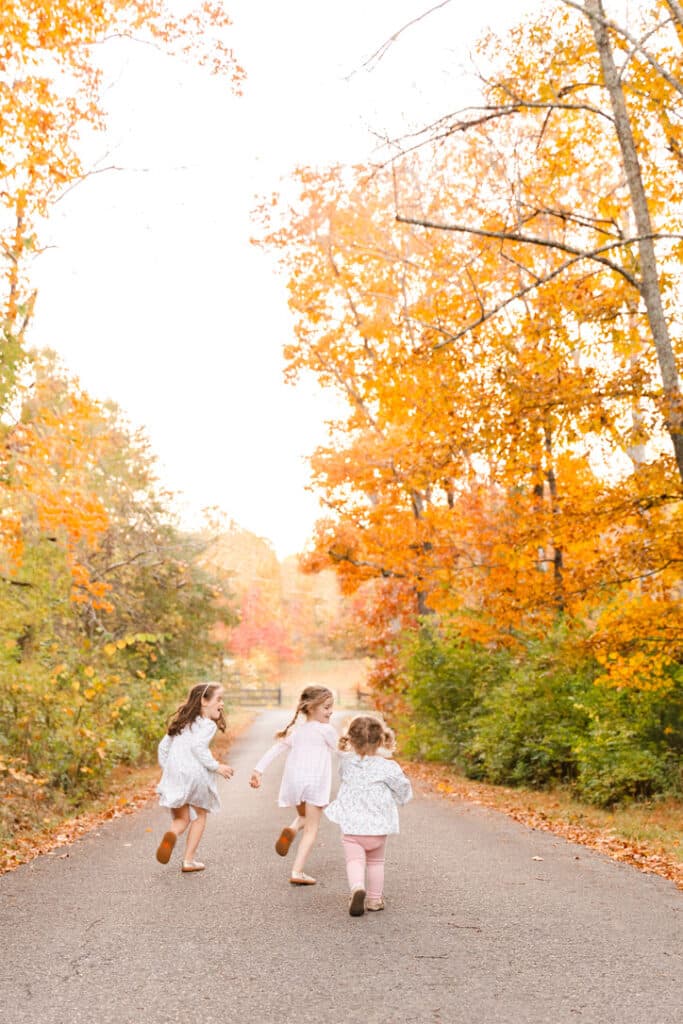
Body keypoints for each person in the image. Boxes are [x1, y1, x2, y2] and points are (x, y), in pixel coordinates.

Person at [324, 714, 412, 916]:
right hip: (378, 827)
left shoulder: (346, 763)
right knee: (375, 862)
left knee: (354, 861)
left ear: (351, 740)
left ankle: (357, 888)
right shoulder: (388, 766)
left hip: (352, 827)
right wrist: (402, 799)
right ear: (381, 740)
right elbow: (403, 788)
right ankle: (374, 899)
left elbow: (343, 775)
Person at [250, 685, 336, 886]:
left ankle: (292, 827)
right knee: (312, 829)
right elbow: (342, 751)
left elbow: (276, 748)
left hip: (294, 783)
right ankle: (297, 871)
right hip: (314, 783)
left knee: (304, 816)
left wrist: (258, 770)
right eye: (326, 707)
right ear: (311, 707)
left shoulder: (297, 730)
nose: (331, 711)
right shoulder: (326, 730)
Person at [155, 682, 234, 872]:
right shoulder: (207, 724)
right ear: (204, 701)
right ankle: (188, 861)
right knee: (199, 816)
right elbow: (198, 748)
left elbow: (163, 747)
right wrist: (217, 767)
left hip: (175, 774)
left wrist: (169, 770)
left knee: (181, 820)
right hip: (196, 776)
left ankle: (172, 834)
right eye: (218, 699)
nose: (222, 704)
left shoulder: (181, 723)